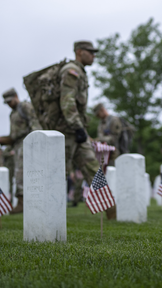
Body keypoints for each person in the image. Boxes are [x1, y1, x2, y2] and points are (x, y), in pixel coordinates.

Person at [53, 41, 113, 218]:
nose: (94, 55)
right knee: (59, 173)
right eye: (90, 52)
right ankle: (51, 216)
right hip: (67, 131)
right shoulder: (71, 70)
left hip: (78, 132)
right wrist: (77, 126)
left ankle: (111, 213)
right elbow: (67, 100)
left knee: (94, 170)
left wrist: (80, 130)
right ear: (79, 52)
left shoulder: (80, 72)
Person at [0, 88, 42, 214]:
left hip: (28, 143)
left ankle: (23, 203)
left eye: (10, 101)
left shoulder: (24, 107)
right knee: (18, 173)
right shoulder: (12, 114)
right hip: (17, 145)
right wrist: (0, 140)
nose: (9, 104)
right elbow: (13, 136)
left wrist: (34, 143)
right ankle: (22, 201)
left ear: (16, 96)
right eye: (6, 102)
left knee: (21, 172)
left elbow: (35, 125)